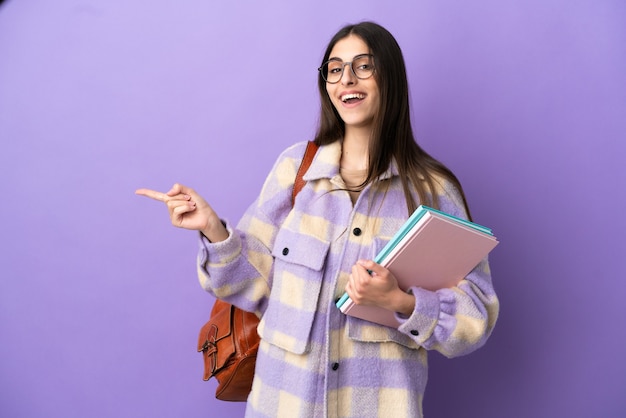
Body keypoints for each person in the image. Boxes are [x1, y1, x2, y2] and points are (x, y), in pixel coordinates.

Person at [136, 21, 499, 418]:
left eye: (363, 66)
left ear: (389, 76)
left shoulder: (432, 191)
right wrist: (213, 229)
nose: (347, 79)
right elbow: (253, 286)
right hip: (281, 405)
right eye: (335, 68)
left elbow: (474, 319)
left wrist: (398, 301)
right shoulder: (296, 169)